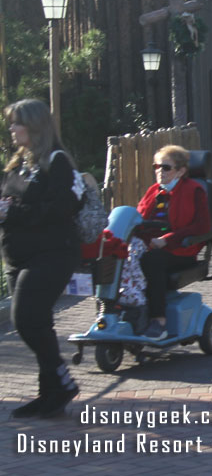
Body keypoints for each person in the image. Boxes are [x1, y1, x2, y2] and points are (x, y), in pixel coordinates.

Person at [1, 99, 82, 419]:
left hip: (51, 253)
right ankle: (50, 392)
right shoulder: (18, 162)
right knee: (38, 323)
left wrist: (13, 212)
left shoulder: (57, 162)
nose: (11, 128)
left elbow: (63, 208)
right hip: (17, 255)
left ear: (34, 126)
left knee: (25, 317)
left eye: (16, 123)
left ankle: (60, 381)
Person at [137, 145, 211, 340]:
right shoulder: (152, 191)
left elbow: (202, 227)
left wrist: (167, 240)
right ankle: (126, 314)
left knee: (152, 260)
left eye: (166, 167)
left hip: (181, 251)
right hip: (151, 247)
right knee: (117, 257)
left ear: (181, 171)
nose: (159, 171)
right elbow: (138, 219)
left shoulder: (194, 190)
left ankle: (158, 320)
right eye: (157, 167)